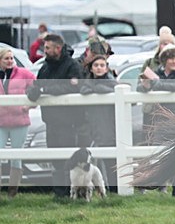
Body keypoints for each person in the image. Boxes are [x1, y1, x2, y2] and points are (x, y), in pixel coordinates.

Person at [25, 34, 83, 199]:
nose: (45, 51)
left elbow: (72, 88)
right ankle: (59, 194)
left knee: (70, 159)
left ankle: (72, 192)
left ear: (58, 48)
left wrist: (45, 90)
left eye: (48, 48)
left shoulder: (72, 66)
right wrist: (33, 92)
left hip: (69, 122)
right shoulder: (45, 68)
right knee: (55, 158)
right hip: (51, 122)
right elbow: (36, 86)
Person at [137, 44, 175, 197]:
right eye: (171, 59)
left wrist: (158, 84)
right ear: (164, 60)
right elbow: (140, 88)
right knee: (158, 155)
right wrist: (146, 86)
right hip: (161, 120)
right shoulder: (155, 72)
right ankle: (157, 186)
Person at [0, 48, 36, 198]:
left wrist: (29, 105)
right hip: (1, 122)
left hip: (19, 121)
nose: (9, 61)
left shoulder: (25, 74)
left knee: (16, 157)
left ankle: (12, 193)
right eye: (6, 58)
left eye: (11, 58)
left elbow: (36, 91)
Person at [80, 54, 118, 191]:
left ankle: (114, 190)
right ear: (91, 69)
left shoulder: (110, 81)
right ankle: (102, 189)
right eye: (96, 65)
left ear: (107, 68)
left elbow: (110, 90)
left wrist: (95, 89)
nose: (99, 68)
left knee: (111, 161)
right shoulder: (88, 82)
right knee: (96, 160)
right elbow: (83, 90)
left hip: (108, 125)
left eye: (102, 65)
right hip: (94, 125)